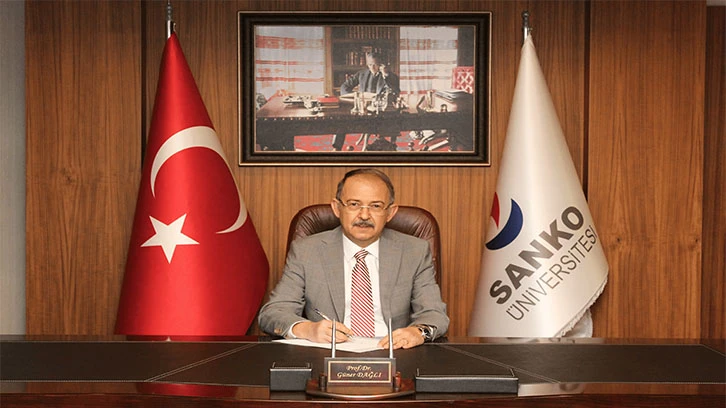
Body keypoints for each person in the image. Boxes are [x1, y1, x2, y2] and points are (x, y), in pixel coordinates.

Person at [258, 169, 449, 350]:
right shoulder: (307, 251)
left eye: (376, 206)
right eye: (354, 204)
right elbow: (273, 313)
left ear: (390, 212)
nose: (364, 215)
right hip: (328, 354)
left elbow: (434, 314)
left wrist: (418, 332)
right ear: (337, 208)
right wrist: (308, 329)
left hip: (393, 354)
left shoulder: (414, 251)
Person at [333, 53, 401, 151]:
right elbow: (344, 86)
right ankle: (337, 147)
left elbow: (395, 91)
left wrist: (386, 75)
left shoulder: (390, 76)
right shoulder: (362, 74)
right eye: (370, 65)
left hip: (380, 112)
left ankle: (388, 146)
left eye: (375, 65)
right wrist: (353, 97)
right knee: (342, 120)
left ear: (381, 64)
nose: (372, 67)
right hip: (362, 109)